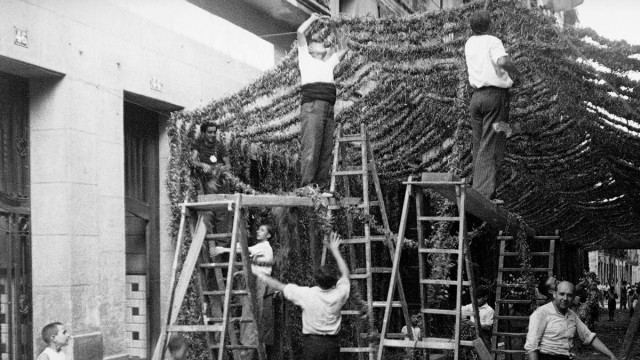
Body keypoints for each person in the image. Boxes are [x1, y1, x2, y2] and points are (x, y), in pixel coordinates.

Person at [254, 232, 350, 360]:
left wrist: (259, 273)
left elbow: (279, 286)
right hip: (332, 344)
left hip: (312, 344)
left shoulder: (307, 294)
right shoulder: (340, 294)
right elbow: (345, 274)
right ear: (334, 283)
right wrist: (335, 250)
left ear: (317, 280)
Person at [464, 10, 522, 200]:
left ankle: (479, 190)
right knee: (493, 144)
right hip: (496, 98)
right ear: (490, 25)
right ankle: (483, 196)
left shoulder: (469, 43)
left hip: (476, 99)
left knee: (479, 145)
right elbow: (503, 60)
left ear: (472, 27)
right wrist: (517, 73)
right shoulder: (492, 41)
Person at [297, 13, 348, 190]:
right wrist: (312, 19)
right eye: (318, 41)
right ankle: (307, 187)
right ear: (310, 47)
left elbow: (344, 48)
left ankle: (320, 186)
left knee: (325, 151)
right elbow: (300, 32)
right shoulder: (305, 58)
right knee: (311, 148)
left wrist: (335, 27)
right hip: (313, 106)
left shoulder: (327, 63)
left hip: (327, 107)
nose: (323, 42)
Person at [212, 224, 275, 360]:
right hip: (257, 280)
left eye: (262, 230)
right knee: (250, 313)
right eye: (258, 229)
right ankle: (249, 349)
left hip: (259, 282)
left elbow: (245, 249)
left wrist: (224, 249)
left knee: (251, 314)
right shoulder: (262, 248)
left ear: (268, 235)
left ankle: (247, 351)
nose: (258, 231)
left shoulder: (264, 246)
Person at [524, 281, 618, 360]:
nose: (565, 299)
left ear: (573, 298)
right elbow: (532, 346)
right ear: (554, 294)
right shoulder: (541, 313)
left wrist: (612, 356)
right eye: (561, 294)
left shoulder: (572, 315)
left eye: (569, 295)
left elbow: (589, 337)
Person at [191, 122, 232, 244]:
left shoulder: (220, 146)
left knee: (222, 212)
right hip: (206, 181)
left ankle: (222, 244)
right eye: (210, 132)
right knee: (208, 211)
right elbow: (192, 161)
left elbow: (228, 165)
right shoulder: (198, 144)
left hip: (220, 181)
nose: (213, 134)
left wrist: (220, 170)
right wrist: (202, 164)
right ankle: (209, 242)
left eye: (215, 132)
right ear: (203, 133)